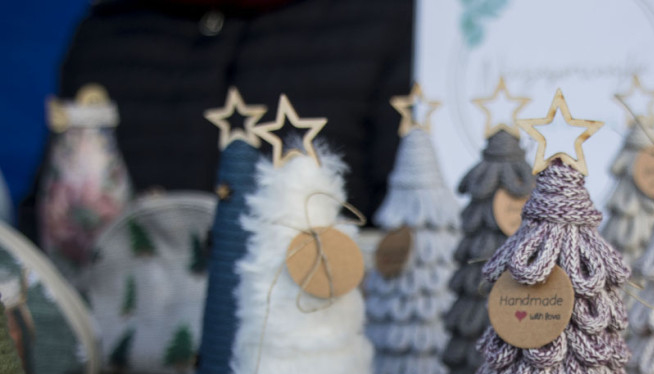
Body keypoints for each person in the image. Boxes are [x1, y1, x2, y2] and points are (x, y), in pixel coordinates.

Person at [19, 0, 414, 241]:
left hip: (315, 359)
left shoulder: (391, 22)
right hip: (120, 368)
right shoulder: (106, 33)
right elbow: (47, 234)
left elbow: (406, 241)